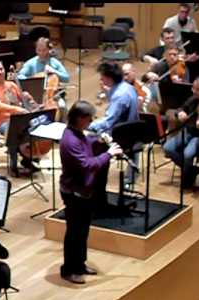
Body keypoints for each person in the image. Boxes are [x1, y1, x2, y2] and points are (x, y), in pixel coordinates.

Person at [59, 100, 122, 284]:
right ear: (79, 118)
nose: (91, 122)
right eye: (89, 118)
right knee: (74, 233)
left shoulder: (78, 133)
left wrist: (100, 142)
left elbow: (88, 144)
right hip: (73, 193)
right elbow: (86, 164)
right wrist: (108, 154)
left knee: (83, 230)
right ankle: (68, 270)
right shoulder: (70, 140)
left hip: (83, 192)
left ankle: (79, 264)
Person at [88, 62, 139, 188]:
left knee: (89, 138)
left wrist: (88, 125)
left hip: (122, 136)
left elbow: (108, 121)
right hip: (133, 130)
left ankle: (95, 176)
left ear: (110, 77)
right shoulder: (127, 87)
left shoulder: (120, 95)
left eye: (102, 76)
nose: (100, 79)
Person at [0, 60, 40, 177]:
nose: (0, 72)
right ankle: (13, 165)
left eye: (1, 69)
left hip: (19, 118)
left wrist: (27, 97)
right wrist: (17, 110)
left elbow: (21, 99)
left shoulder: (11, 85)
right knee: (14, 133)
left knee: (33, 127)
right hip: (3, 121)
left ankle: (27, 159)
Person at [163, 75, 199, 189]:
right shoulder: (193, 99)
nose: (194, 91)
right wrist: (180, 113)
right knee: (167, 148)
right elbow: (180, 108)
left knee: (188, 154)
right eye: (194, 88)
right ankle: (191, 170)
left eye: (198, 89)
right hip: (187, 131)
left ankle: (187, 176)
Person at [17, 37, 70, 122]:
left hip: (52, 96)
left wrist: (54, 71)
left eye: (44, 50)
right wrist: (34, 78)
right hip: (34, 97)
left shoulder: (54, 62)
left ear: (49, 49)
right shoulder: (31, 63)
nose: (41, 53)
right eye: (39, 50)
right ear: (36, 50)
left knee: (62, 107)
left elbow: (66, 78)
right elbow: (20, 76)